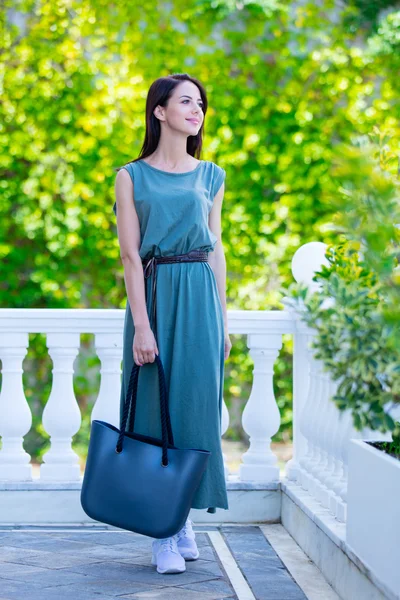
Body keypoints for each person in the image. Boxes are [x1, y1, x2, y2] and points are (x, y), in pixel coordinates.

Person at [113, 73, 232, 575]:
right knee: (151, 412)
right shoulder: (131, 176)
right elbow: (130, 255)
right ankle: (160, 531)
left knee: (195, 411)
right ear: (159, 110)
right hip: (157, 296)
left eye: (200, 103)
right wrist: (142, 325)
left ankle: (181, 518)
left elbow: (217, 247)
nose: (197, 109)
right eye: (186, 101)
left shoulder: (212, 176)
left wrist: (224, 321)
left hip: (200, 298)